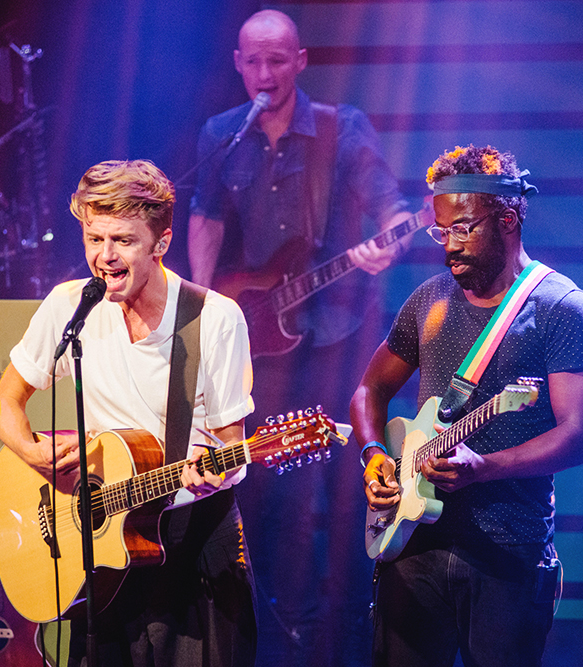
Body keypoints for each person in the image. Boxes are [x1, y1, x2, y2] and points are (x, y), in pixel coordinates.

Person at [187, 10, 413, 663]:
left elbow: (393, 211)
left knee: (346, 488)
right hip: (263, 341)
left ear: (301, 61)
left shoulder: (342, 128)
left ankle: (354, 630)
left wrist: (390, 241)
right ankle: (291, 631)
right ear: (238, 63)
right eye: (254, 62)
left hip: (341, 334)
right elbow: (205, 216)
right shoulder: (222, 135)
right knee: (272, 489)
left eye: (278, 60)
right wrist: (203, 304)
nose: (265, 73)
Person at [0, 159, 258, 667]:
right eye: (94, 239)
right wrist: (34, 453)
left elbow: (231, 449)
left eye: (123, 241)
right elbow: (4, 403)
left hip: (192, 545)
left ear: (161, 242)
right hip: (103, 557)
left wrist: (212, 471)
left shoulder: (214, 319)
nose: (105, 256)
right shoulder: (71, 306)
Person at [351, 145, 583, 667]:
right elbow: (368, 390)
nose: (450, 247)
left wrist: (485, 467)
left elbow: (578, 434)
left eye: (463, 229)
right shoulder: (428, 299)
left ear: (507, 220)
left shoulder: (562, 308)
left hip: (506, 552)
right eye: (441, 232)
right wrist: (374, 454)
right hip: (412, 544)